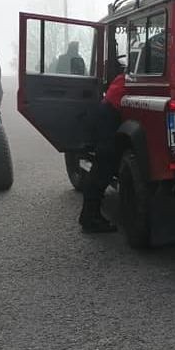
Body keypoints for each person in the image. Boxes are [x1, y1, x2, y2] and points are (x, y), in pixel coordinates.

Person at [79, 73, 125, 233]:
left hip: (105, 114)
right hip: (108, 117)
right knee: (102, 170)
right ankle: (91, 218)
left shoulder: (124, 76)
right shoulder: (134, 76)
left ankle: (89, 216)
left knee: (100, 169)